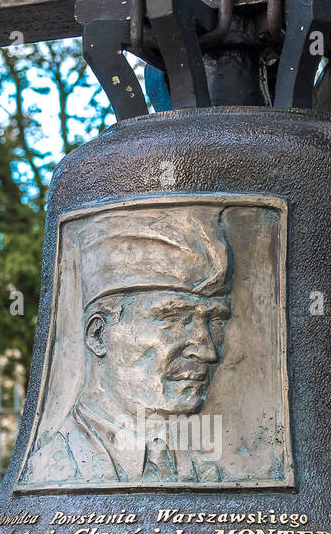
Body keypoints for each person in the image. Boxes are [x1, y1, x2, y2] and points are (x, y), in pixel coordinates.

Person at [22, 204, 233, 485]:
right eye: (174, 318)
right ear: (98, 335)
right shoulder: (49, 470)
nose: (208, 350)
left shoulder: (205, 472)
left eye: (215, 321)